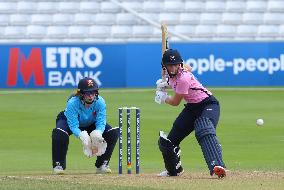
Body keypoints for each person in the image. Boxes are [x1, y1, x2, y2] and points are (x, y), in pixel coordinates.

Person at [155, 49, 226, 178]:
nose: (173, 67)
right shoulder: (167, 72)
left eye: (176, 64)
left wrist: (163, 97)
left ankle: (217, 165)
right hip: (192, 108)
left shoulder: (184, 78)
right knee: (169, 142)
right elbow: (183, 71)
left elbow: (175, 102)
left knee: (203, 128)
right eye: (170, 65)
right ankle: (174, 170)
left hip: (208, 104)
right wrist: (166, 82)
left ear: (180, 64)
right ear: (165, 65)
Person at [52, 77, 119, 174]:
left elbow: (101, 121)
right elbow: (73, 125)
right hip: (68, 121)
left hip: (91, 122)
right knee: (59, 134)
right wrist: (82, 135)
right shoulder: (72, 103)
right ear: (81, 94)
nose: (91, 96)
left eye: (93, 92)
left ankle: (102, 165)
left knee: (112, 133)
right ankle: (58, 166)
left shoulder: (100, 102)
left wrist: (98, 132)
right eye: (88, 93)